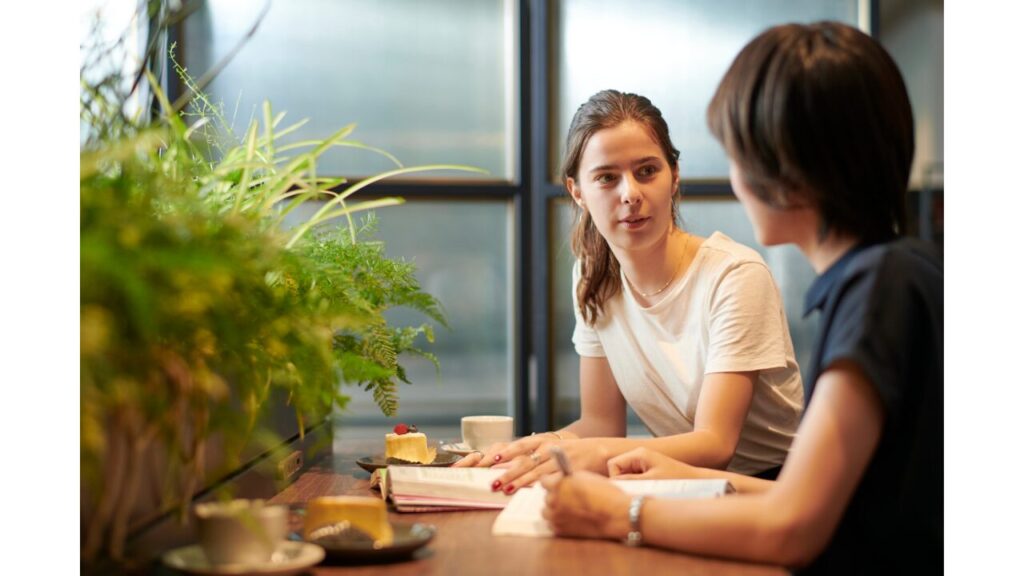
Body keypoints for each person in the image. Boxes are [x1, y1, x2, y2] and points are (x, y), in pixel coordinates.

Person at [540, 21, 942, 575]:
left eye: (739, 152)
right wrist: (674, 481)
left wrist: (622, 513)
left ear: (792, 164)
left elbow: (792, 529)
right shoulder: (888, 274)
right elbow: (830, 504)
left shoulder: (880, 290)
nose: (735, 177)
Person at [455, 89, 804, 493]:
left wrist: (595, 455)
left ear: (674, 176)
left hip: (769, 490)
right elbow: (600, 425)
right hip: (677, 484)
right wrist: (530, 450)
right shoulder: (592, 276)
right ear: (577, 192)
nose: (630, 194)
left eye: (646, 171)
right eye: (607, 177)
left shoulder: (734, 275)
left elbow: (715, 443)